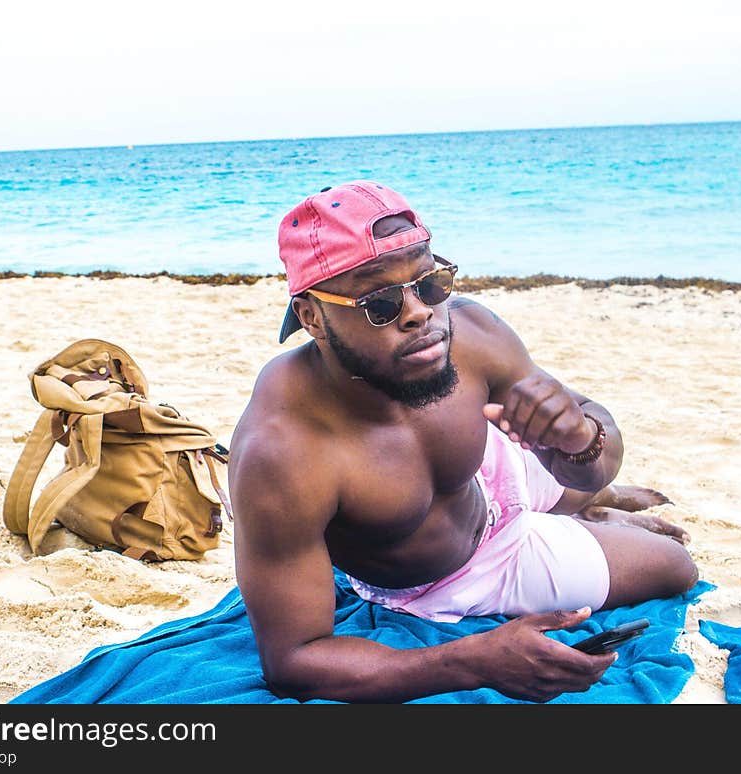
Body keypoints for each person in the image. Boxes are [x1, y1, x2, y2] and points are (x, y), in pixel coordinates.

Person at [227, 180, 698, 703]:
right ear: (312, 316)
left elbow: (595, 448)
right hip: (467, 568)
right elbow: (294, 661)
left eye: (429, 282)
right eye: (378, 303)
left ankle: (583, 505)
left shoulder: (471, 332)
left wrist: (580, 440)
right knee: (674, 567)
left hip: (491, 470)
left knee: (577, 477)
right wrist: (475, 660)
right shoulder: (283, 451)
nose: (418, 313)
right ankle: (581, 513)